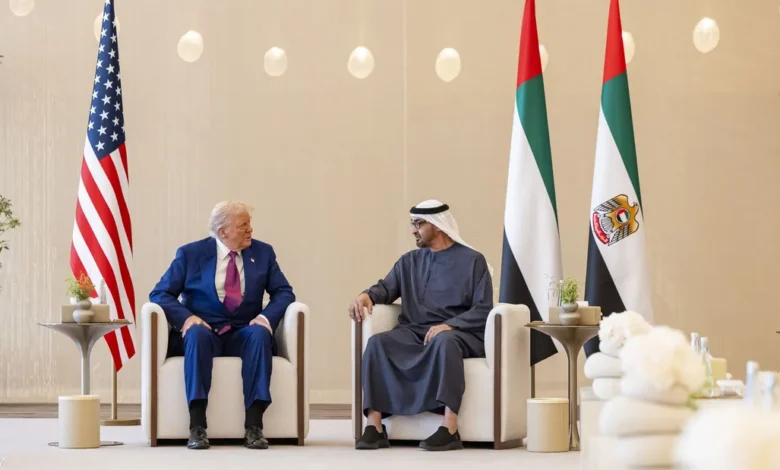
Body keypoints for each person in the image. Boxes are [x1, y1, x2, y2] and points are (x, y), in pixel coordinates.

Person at [348, 199, 494, 451]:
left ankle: (450, 428)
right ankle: (375, 427)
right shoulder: (409, 261)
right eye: (412, 224)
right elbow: (386, 288)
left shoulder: (473, 261)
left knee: (444, 341)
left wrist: (450, 325)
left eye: (418, 224)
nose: (413, 230)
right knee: (377, 343)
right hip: (414, 332)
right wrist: (366, 296)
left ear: (437, 225)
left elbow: (483, 308)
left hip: (459, 333)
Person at [149, 201, 295, 450]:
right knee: (195, 334)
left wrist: (265, 318)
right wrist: (187, 318)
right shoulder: (190, 254)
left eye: (249, 223)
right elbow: (160, 294)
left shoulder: (263, 253)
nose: (250, 230)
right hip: (206, 331)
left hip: (243, 331)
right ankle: (197, 426)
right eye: (243, 225)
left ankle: (255, 426)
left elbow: (284, 292)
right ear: (222, 231)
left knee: (260, 335)